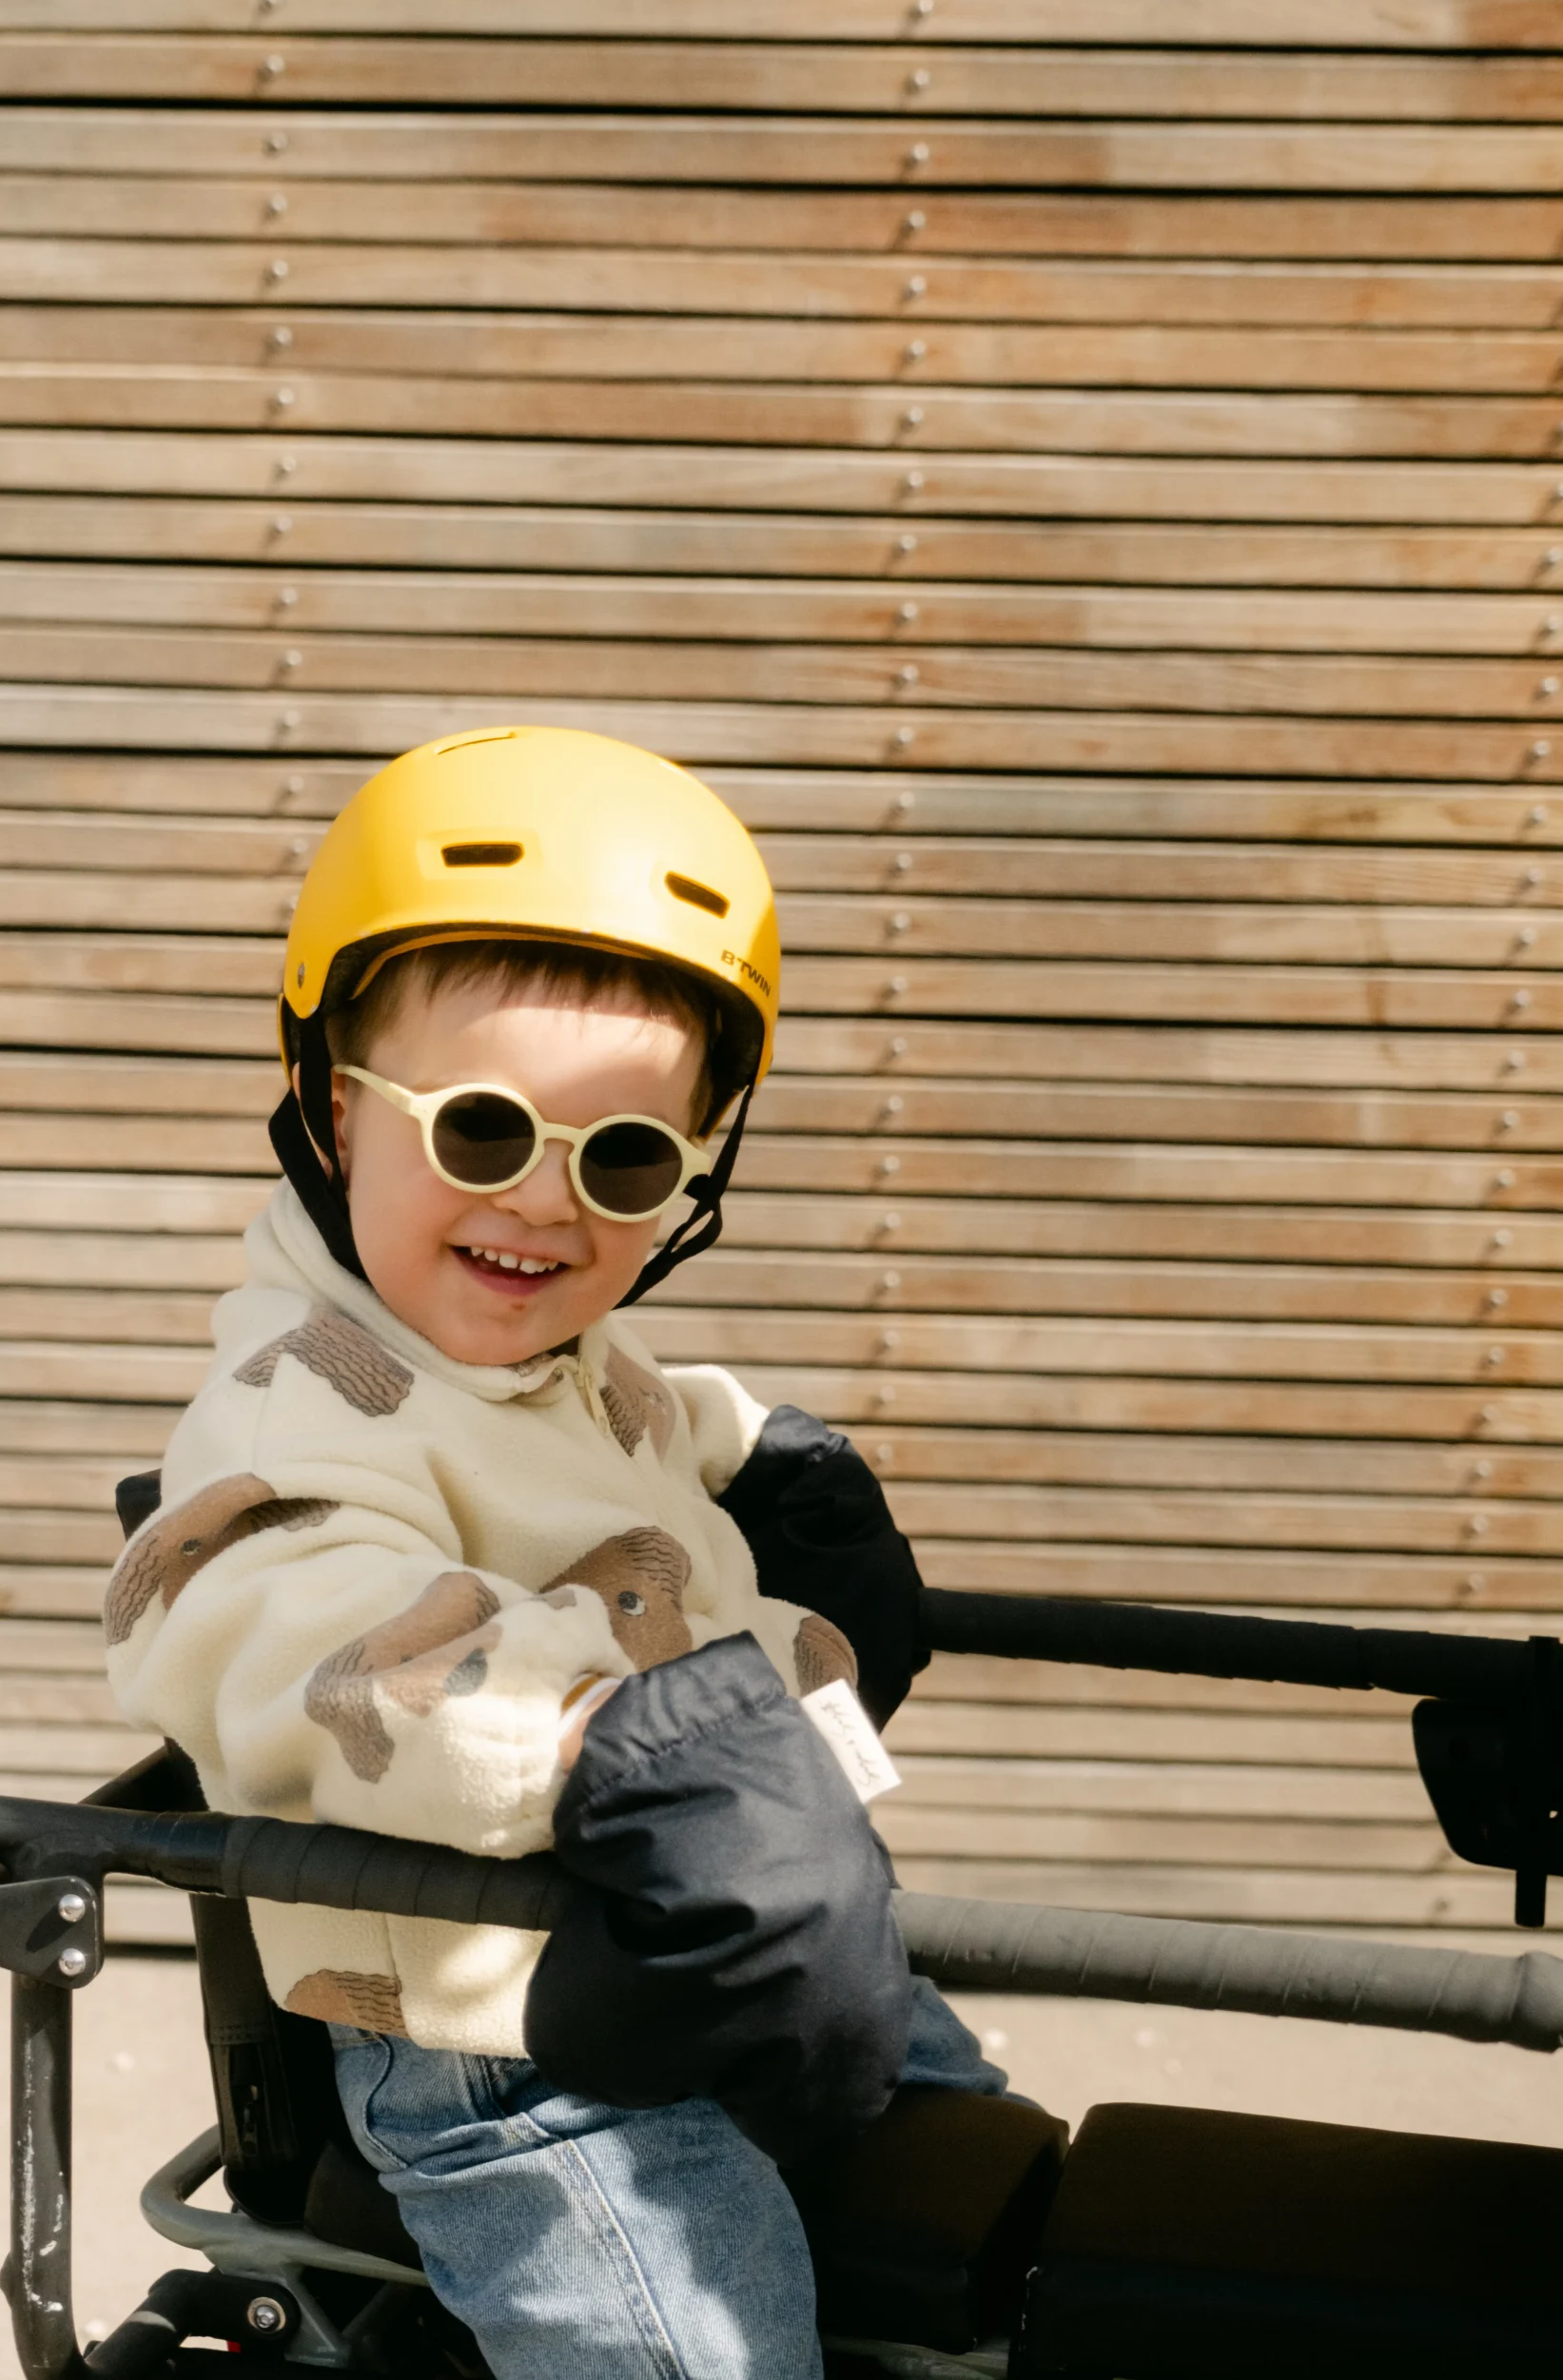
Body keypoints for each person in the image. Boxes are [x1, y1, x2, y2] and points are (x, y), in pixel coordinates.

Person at [104, 726, 1005, 2379]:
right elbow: (310, 1631)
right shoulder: (296, 1407)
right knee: (703, 2349)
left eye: (627, 1158)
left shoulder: (570, 1367)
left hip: (710, 1936)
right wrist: (618, 1747)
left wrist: (782, 1472)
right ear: (325, 1101)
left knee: (1008, 2201)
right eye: (478, 1129)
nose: (545, 1204)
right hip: (502, 2041)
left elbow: (664, 1426)